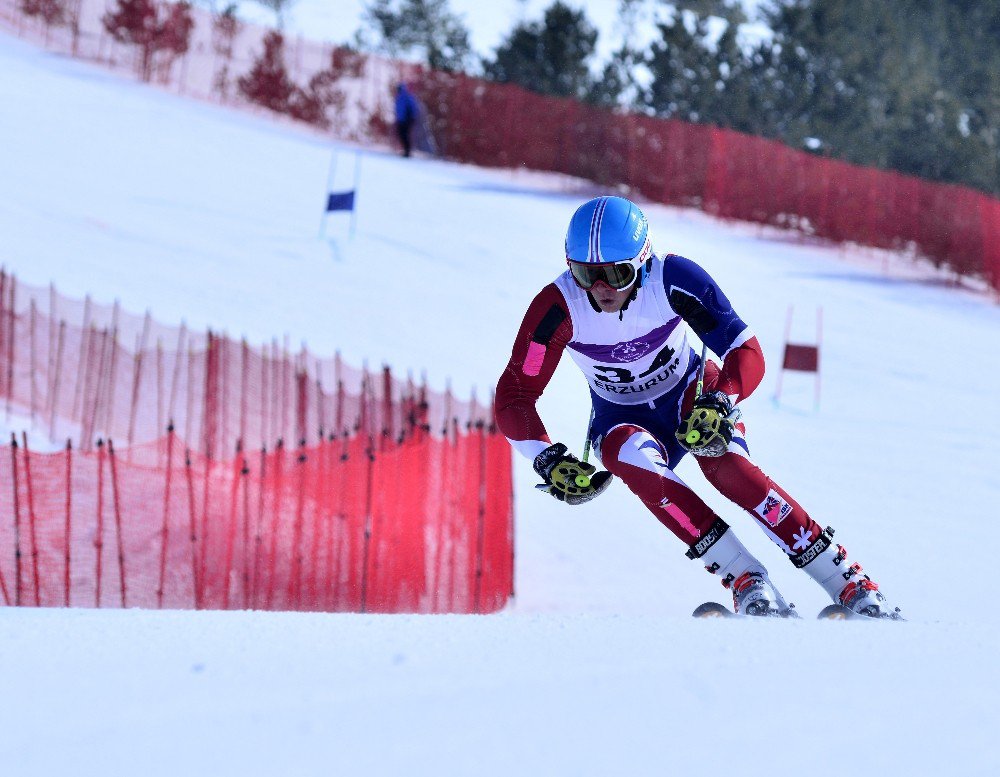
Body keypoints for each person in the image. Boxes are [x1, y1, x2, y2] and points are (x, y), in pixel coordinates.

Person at [495, 195, 901, 618]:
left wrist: (722, 399)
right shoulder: (558, 307)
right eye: (585, 273)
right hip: (621, 417)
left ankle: (849, 582)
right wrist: (545, 459)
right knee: (630, 458)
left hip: (692, 396)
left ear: (643, 260)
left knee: (725, 464)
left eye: (617, 273)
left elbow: (746, 350)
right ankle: (746, 578)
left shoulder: (671, 278)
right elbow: (515, 394)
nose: (601, 288)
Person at [394, 83, 418, 158]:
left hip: (406, 120)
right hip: (401, 120)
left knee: (405, 135)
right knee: (402, 134)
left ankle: (407, 151)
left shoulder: (407, 97)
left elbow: (412, 108)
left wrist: (411, 118)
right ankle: (405, 150)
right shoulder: (399, 97)